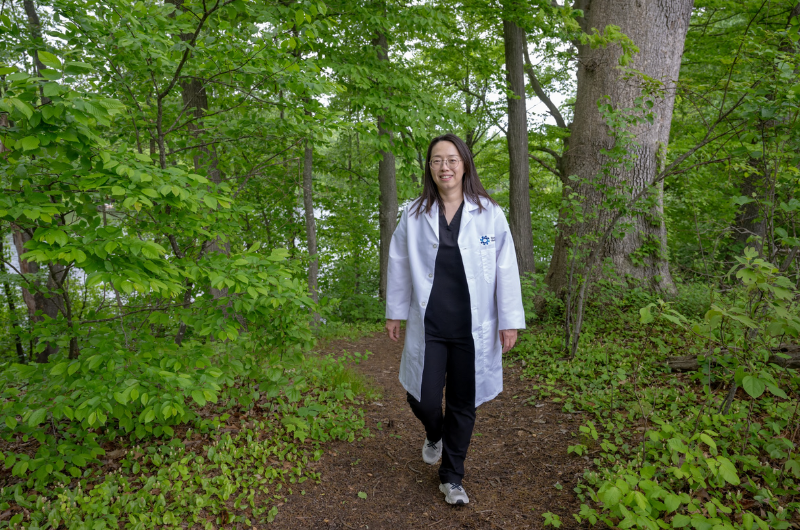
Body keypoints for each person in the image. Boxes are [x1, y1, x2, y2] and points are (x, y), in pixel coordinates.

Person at [384, 133, 525, 506]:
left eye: (451, 160)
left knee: (464, 402)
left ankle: (452, 477)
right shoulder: (414, 214)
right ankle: (434, 433)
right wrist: (395, 311)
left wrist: (508, 320)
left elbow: (506, 268)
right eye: (436, 161)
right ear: (429, 169)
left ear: (464, 164)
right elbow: (398, 265)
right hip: (430, 325)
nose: (444, 167)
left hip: (473, 328)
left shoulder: (489, 213)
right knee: (424, 399)